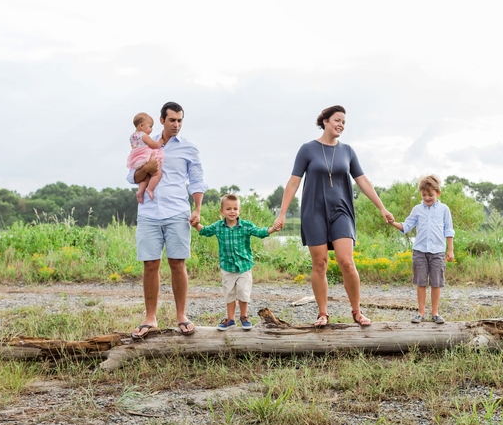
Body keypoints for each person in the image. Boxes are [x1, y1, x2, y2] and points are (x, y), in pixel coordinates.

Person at [274, 105, 394, 327]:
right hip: (314, 212)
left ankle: (357, 311)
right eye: (337, 120)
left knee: (346, 261)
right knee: (320, 263)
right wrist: (282, 213)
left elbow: (363, 181)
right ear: (325, 121)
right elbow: (293, 182)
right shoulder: (307, 149)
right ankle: (322, 313)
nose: (341, 125)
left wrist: (382, 207)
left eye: (344, 123)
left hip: (341, 212)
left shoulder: (347, 151)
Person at [127, 102, 208, 340]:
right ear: (161, 120)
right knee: (150, 265)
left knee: (177, 263)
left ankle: (181, 316)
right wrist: (149, 168)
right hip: (149, 213)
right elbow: (132, 176)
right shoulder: (145, 141)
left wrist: (198, 209)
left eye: (180, 120)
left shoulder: (189, 148)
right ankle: (150, 317)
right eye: (172, 120)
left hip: (177, 212)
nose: (176, 124)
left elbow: (197, 180)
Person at [193, 194, 282, 331]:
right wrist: (195, 225)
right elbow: (205, 231)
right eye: (228, 209)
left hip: (244, 267)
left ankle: (244, 316)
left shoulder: (245, 226)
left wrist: (272, 229)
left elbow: (259, 232)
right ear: (222, 211)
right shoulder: (218, 226)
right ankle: (230, 319)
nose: (232, 211)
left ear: (239, 210)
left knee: (242, 291)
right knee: (229, 293)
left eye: (235, 208)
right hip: (227, 267)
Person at [388, 174, 454, 324]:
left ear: (438, 193)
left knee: (436, 283)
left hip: (437, 252)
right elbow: (406, 226)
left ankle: (435, 313)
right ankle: (421, 312)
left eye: (430, 195)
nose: (427, 198)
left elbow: (449, 230)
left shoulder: (444, 210)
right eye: (424, 195)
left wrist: (450, 250)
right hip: (420, 252)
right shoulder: (417, 209)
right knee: (421, 282)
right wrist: (393, 222)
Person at [126, 113, 165, 203]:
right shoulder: (143, 135)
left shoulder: (132, 136)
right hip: (145, 158)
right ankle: (150, 189)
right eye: (150, 126)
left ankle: (140, 192)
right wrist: (160, 142)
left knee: (146, 177)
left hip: (135, 161)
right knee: (157, 174)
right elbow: (154, 145)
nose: (152, 129)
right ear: (142, 126)